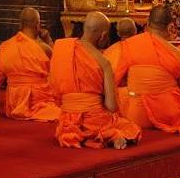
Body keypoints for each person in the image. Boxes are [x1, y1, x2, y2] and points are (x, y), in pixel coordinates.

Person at [114, 5, 180, 135]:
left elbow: (115, 81)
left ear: (147, 24)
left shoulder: (129, 46)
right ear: (170, 27)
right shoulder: (177, 54)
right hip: (168, 114)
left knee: (122, 94)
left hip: (137, 116)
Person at [48, 12, 141, 150]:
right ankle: (110, 135)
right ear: (103, 35)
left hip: (69, 118)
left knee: (75, 127)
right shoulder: (104, 63)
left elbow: (55, 90)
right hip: (95, 118)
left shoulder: (61, 49)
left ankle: (85, 134)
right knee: (128, 126)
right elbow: (111, 106)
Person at [0, 7, 60, 122]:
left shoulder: (5, 46)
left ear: (21, 24)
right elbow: (59, 67)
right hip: (37, 99)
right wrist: (48, 40)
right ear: (37, 24)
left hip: (14, 102)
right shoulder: (43, 48)